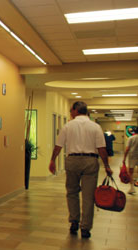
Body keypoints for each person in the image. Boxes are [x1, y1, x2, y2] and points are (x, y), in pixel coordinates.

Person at [49, 101, 112, 238]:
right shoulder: (95, 127)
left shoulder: (67, 126)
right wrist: (107, 166)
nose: (70, 113)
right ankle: (85, 228)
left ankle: (74, 222)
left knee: (72, 192)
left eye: (71, 110)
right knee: (88, 196)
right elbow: (102, 148)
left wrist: (53, 160)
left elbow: (58, 146)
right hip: (90, 161)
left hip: (72, 161)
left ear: (76, 110)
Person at [122, 129, 138, 195]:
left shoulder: (131, 138)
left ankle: (132, 188)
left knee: (130, 172)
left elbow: (127, 148)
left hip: (132, 156)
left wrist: (124, 158)